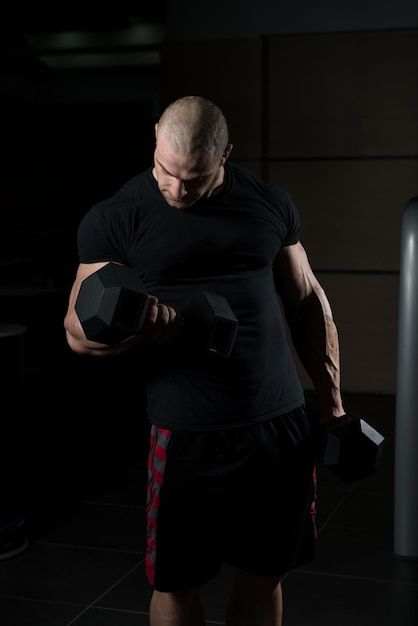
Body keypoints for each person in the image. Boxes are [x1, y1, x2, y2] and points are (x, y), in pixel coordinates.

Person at [64, 95, 345, 626]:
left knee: (266, 571)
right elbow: (77, 333)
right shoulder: (116, 217)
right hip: (188, 429)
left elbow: (306, 299)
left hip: (278, 421)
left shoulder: (268, 203)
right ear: (154, 141)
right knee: (176, 583)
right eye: (166, 172)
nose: (176, 189)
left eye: (193, 179)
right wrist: (139, 327)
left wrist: (331, 400)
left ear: (225, 156)